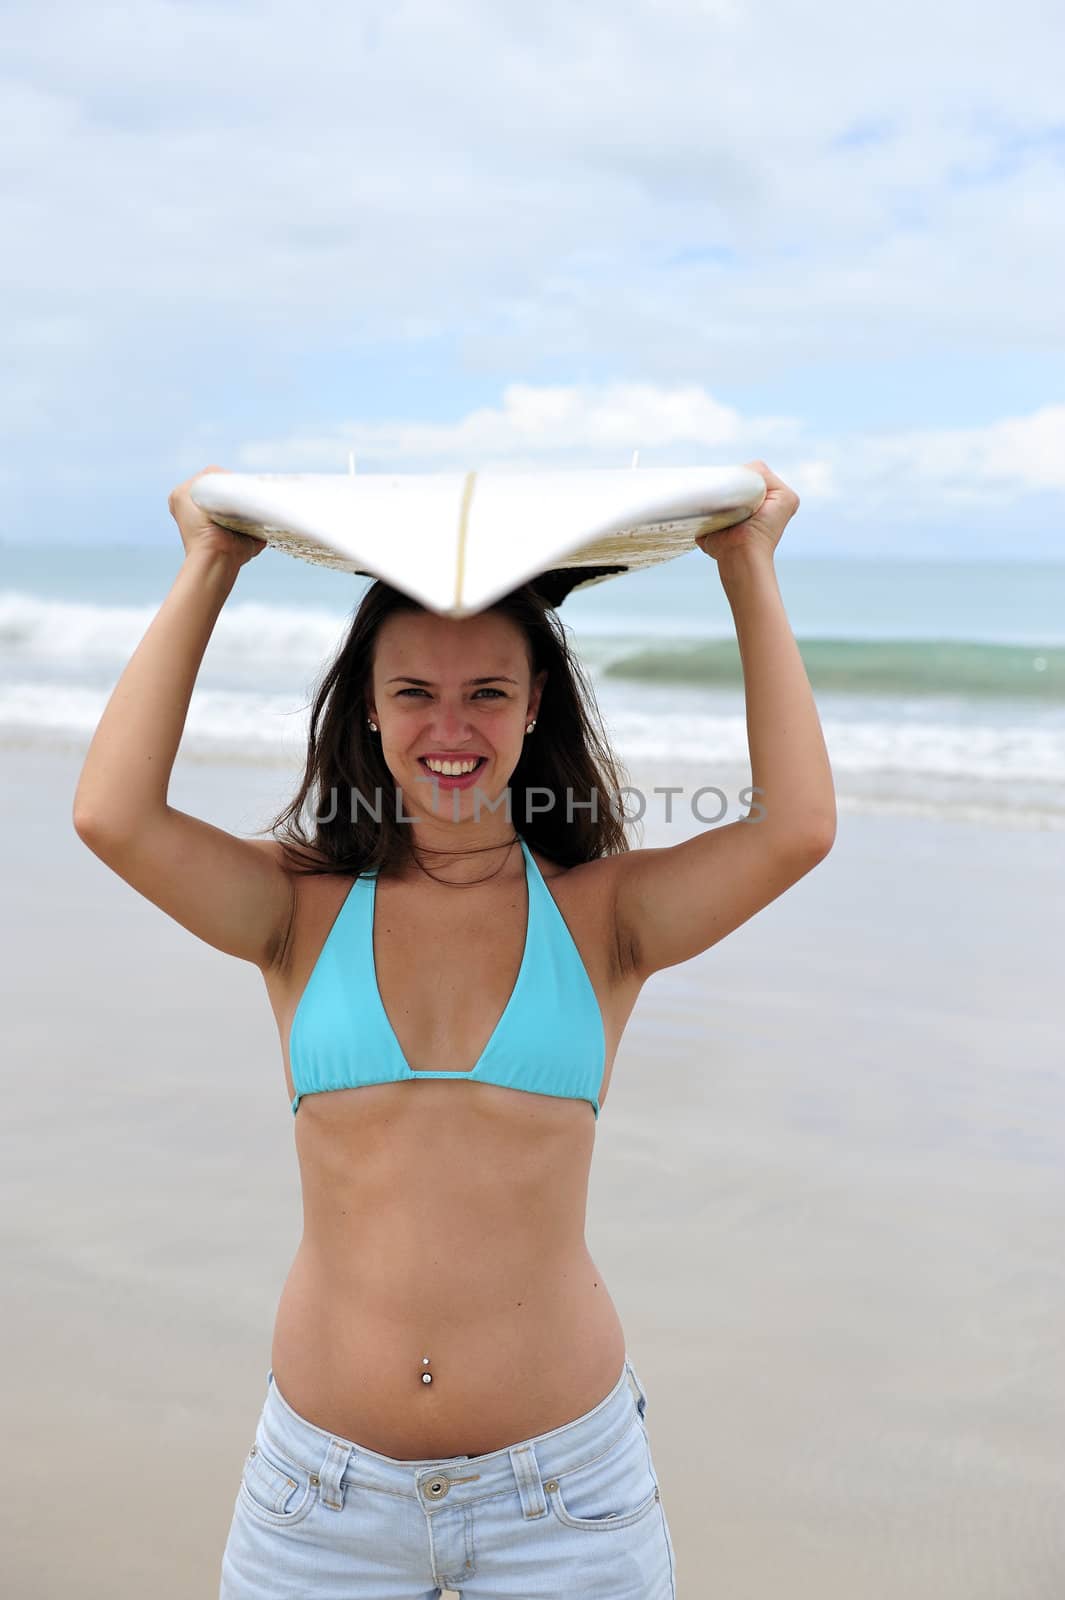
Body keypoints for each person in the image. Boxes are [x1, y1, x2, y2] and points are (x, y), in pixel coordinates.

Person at [73, 459, 835, 1599]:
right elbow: (112, 813)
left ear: (536, 707)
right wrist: (210, 563)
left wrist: (747, 565)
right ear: (367, 708)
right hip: (318, 1507)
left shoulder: (604, 918)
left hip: (565, 1500)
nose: (450, 726)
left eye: (488, 691)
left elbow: (797, 830)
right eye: (414, 692)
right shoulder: (295, 911)